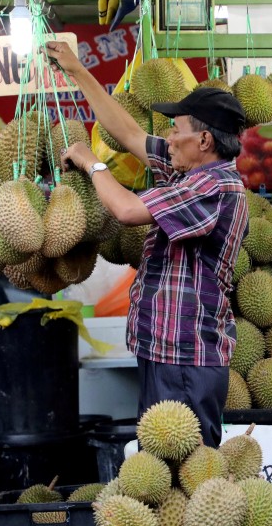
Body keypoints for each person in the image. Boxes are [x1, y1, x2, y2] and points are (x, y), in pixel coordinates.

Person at [44, 40, 249, 448]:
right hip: (166, 350)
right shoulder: (186, 173)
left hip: (186, 356)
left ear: (204, 140)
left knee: (188, 476)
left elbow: (127, 211)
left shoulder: (214, 186)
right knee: (160, 470)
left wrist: (91, 162)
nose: (169, 137)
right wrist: (78, 71)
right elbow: (128, 132)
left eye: (177, 129)